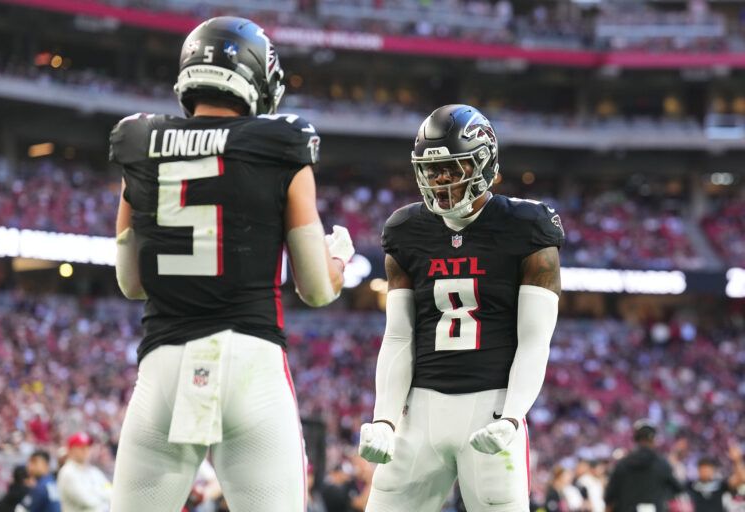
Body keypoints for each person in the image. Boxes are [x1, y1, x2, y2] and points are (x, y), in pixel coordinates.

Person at [108, 16, 353, 512]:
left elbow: (130, 283)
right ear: (258, 79)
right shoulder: (280, 143)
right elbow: (316, 289)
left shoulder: (139, 142)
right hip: (249, 364)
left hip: (164, 368)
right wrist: (338, 259)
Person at [358, 104, 564, 511]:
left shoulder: (526, 225)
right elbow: (399, 334)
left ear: (484, 164)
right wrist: (384, 417)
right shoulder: (406, 230)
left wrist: (511, 416)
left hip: (490, 408)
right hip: (419, 410)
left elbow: (535, 340)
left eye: (453, 168)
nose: (440, 180)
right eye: (432, 170)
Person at [604, 420, 683, 512]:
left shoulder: (623, 464)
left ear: (635, 438)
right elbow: (678, 488)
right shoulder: (662, 464)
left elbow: (610, 495)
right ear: (653, 439)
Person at [56, 432, 111, 511]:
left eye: (88, 447)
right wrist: (101, 494)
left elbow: (110, 491)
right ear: (72, 449)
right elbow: (87, 501)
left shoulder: (94, 471)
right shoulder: (67, 472)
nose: (86, 450)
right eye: (81, 447)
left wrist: (95, 493)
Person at [686, 442, 745, 512]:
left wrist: (737, 461)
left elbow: (741, 479)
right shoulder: (691, 485)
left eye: (707, 470)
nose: (705, 473)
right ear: (698, 471)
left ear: (712, 471)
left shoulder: (720, 484)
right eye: (703, 470)